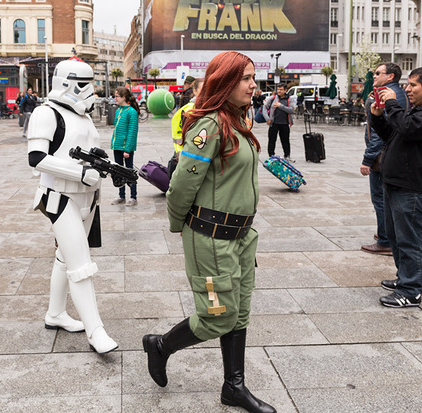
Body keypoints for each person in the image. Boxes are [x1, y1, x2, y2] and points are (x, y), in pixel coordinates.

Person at [142, 51, 276, 413]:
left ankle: (234, 387)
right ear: (225, 81)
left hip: (241, 237)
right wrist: (178, 225)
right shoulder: (210, 126)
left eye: (253, 77)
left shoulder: (238, 120)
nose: (253, 85)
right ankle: (161, 345)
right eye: (246, 78)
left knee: (239, 311)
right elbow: (182, 185)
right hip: (211, 238)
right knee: (218, 315)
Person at [27, 57, 118, 354]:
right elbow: (37, 158)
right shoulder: (46, 113)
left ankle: (55, 313)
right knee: (80, 266)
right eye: (83, 83)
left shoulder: (85, 116)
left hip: (88, 196)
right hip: (60, 196)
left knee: (64, 259)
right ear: (65, 83)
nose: (88, 89)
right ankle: (96, 331)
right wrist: (80, 173)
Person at [371, 66, 422, 308]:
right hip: (395, 182)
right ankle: (405, 278)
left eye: (413, 85)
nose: (407, 89)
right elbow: (393, 134)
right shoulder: (419, 110)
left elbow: (409, 128)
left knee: (409, 239)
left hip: (411, 186)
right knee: (398, 239)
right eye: (408, 85)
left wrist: (392, 104)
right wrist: (378, 115)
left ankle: (411, 290)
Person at [359, 62, 409, 256]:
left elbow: (382, 132)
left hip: (383, 155)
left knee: (380, 198)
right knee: (384, 198)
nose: (375, 76)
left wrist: (367, 159)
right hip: (391, 153)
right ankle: (387, 234)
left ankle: (385, 240)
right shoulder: (395, 93)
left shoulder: (389, 95)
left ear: (390, 76)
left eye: (378, 73)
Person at [110, 87, 139, 206]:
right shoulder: (118, 111)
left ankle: (133, 197)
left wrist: (127, 149)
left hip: (126, 148)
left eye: (117, 96)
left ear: (123, 97)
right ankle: (121, 195)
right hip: (117, 146)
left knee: (129, 172)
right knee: (118, 172)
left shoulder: (131, 112)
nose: (115, 98)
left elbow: (132, 132)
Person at [169, 79, 204, 177]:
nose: (205, 93)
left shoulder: (210, 108)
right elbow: (179, 134)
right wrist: (180, 153)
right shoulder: (189, 110)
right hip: (191, 156)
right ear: (195, 91)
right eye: (202, 90)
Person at [263, 83, 296, 162]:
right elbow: (264, 108)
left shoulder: (289, 99)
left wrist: (280, 106)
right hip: (274, 123)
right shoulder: (273, 98)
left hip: (284, 123)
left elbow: (292, 110)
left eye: (281, 89)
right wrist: (267, 118)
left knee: (285, 140)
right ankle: (271, 156)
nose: (279, 91)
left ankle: (287, 156)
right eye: (278, 89)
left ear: (285, 90)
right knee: (272, 140)